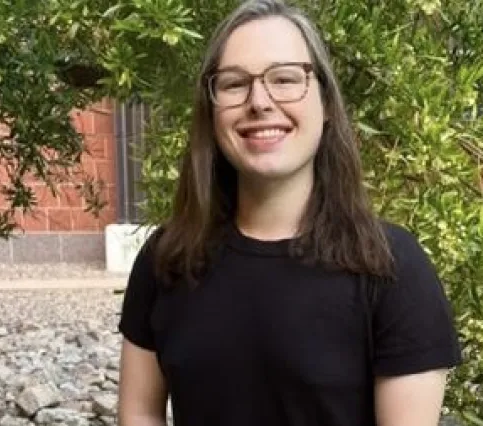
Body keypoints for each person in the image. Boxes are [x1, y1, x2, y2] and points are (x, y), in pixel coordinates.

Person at [116, 0, 463, 425]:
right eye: (233, 84)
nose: (259, 101)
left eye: (285, 79)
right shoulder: (165, 260)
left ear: (328, 105)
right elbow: (139, 414)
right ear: (211, 110)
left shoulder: (392, 268)